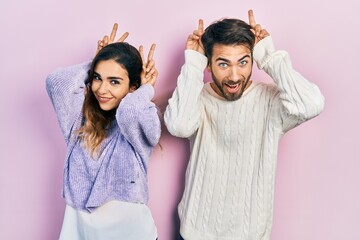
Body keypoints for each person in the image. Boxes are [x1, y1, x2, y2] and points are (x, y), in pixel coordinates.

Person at [164, 9, 325, 240]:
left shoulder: (271, 102)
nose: (234, 75)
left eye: (243, 62)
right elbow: (178, 126)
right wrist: (192, 65)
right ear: (208, 65)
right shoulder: (197, 98)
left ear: (253, 61)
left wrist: (269, 56)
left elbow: (312, 104)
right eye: (223, 64)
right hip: (194, 234)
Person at [46, 23, 161, 240]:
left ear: (132, 87)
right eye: (97, 78)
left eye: (114, 81)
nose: (101, 89)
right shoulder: (78, 121)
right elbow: (57, 82)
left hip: (134, 233)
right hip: (81, 233)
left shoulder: (141, 121)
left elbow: (129, 112)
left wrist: (146, 89)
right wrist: (97, 60)